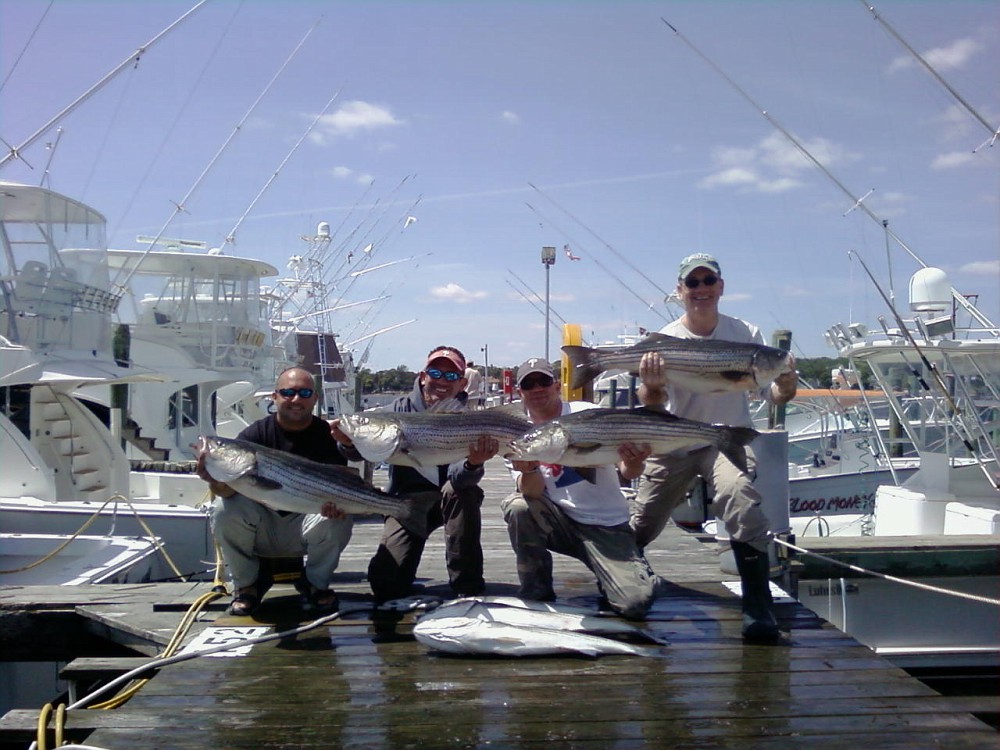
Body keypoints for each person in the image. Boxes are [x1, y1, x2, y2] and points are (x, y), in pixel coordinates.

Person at [634, 252, 797, 642]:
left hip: (727, 437)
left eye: (709, 282)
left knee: (741, 500)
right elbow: (650, 401)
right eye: (693, 283)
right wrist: (653, 384)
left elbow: (775, 395)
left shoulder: (745, 334)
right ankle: (623, 578)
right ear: (680, 291)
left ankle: (758, 607)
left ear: (721, 287)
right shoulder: (667, 339)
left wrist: (788, 383)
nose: (701, 289)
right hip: (676, 437)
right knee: (641, 523)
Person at [334, 346, 498, 603]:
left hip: (454, 497)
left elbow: (462, 479)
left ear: (463, 383)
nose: (442, 381)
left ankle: (467, 585)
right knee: (386, 584)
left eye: (452, 376)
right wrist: (348, 441)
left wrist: (473, 464)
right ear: (423, 376)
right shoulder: (395, 412)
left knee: (461, 491)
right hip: (408, 502)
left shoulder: (467, 419)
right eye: (435, 372)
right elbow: (361, 453)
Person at [504, 357, 657, 621]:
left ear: (557, 385)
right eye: (529, 384)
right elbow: (531, 493)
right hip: (558, 522)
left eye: (544, 381)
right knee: (518, 507)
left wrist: (634, 463)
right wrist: (529, 468)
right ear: (521, 393)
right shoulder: (520, 436)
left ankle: (634, 571)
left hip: (606, 524)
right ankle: (536, 591)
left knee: (634, 604)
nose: (537, 388)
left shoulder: (586, 412)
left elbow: (627, 473)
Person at [198, 367, 354, 617]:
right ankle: (247, 586)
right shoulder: (254, 435)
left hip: (305, 523)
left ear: (315, 399)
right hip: (262, 526)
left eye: (304, 393)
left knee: (337, 520)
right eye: (288, 392)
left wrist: (337, 505)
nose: (296, 399)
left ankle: (316, 585)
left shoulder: (327, 436)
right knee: (222, 510)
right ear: (275, 396)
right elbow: (227, 494)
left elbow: (339, 484)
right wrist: (213, 480)